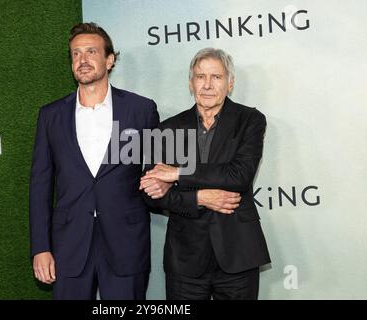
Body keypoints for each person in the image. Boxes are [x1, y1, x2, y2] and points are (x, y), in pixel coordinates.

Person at [29, 22, 160, 300]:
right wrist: (40, 248)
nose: (82, 60)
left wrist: (165, 184)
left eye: (91, 51)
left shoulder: (141, 109)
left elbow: (156, 170)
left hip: (126, 243)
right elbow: (40, 186)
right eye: (76, 54)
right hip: (69, 245)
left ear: (109, 60)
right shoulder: (51, 116)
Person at [140, 48, 271, 300]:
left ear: (230, 83)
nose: (208, 85)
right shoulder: (168, 129)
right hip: (185, 260)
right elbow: (150, 194)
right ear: (191, 83)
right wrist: (199, 197)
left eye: (217, 77)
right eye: (200, 77)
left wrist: (178, 173)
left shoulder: (250, 120)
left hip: (238, 255)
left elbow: (239, 176)